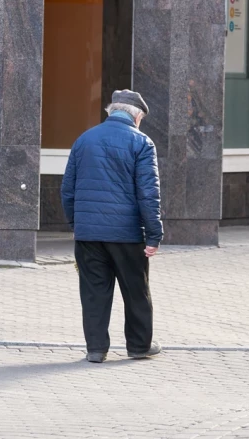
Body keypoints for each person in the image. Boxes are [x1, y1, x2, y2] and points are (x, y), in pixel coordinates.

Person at [61, 90, 163, 364]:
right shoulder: (142, 142)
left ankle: (96, 349)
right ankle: (139, 346)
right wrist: (153, 235)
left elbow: (67, 190)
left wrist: (76, 224)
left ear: (110, 112)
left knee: (94, 292)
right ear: (137, 115)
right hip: (127, 235)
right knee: (136, 291)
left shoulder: (83, 140)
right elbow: (148, 194)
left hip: (88, 235)